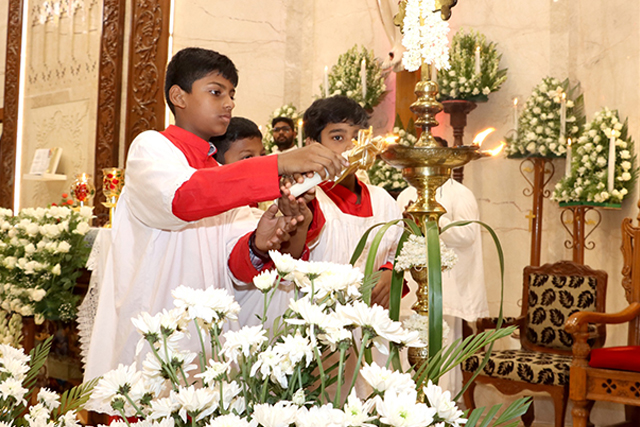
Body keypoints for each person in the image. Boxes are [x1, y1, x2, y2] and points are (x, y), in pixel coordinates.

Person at [84, 47, 346, 381]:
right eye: (216, 92)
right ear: (178, 96)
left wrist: (259, 243)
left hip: (207, 341)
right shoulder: (152, 148)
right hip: (155, 329)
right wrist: (277, 163)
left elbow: (235, 268)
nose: (229, 103)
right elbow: (182, 199)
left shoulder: (220, 173)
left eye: (232, 94)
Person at [396, 153, 489, 397]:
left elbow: (468, 234)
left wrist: (435, 222)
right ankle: (405, 403)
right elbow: (395, 232)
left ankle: (439, 402)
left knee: (442, 347)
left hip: (446, 286)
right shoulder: (407, 193)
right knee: (406, 343)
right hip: (412, 282)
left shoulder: (460, 193)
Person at [303, 95, 403, 308]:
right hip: (317, 317)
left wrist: (390, 271)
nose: (351, 146)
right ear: (312, 145)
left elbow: (398, 251)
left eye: (358, 137)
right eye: (338, 137)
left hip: (371, 318)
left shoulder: (382, 200)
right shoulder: (309, 199)